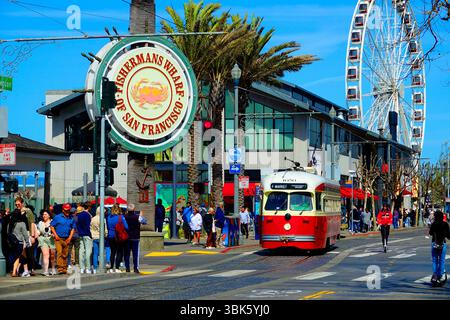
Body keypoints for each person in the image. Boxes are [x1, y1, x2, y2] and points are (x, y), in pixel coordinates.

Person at [50, 203, 75, 275]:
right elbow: (52, 226)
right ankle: (60, 268)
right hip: (59, 238)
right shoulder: (57, 217)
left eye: (68, 211)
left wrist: (70, 238)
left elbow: (73, 228)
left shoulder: (71, 218)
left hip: (67, 238)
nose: (67, 212)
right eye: (66, 210)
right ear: (63, 210)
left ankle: (64, 268)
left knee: (65, 254)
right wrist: (55, 235)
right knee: (59, 252)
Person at [15, 197, 37, 276]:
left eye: (18, 204)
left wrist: (32, 235)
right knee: (22, 252)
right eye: (16, 204)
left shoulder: (28, 211)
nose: (17, 205)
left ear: (22, 203)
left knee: (26, 251)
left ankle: (28, 269)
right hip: (19, 234)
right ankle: (25, 270)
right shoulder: (16, 212)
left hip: (27, 233)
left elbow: (32, 223)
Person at [124, 203, 147, 273]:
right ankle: (135, 268)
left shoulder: (124, 217)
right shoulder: (137, 217)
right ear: (134, 209)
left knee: (127, 253)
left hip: (127, 237)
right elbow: (144, 222)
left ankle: (127, 267)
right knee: (135, 253)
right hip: (135, 237)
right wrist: (141, 215)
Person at [7, 209, 31, 277]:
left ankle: (13, 271)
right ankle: (14, 272)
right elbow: (25, 234)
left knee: (13, 256)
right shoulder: (22, 223)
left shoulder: (10, 223)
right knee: (17, 257)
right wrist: (27, 242)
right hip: (19, 243)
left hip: (11, 243)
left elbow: (8, 233)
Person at [429, 210, 450, 286]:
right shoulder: (445, 224)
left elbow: (430, 233)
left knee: (435, 260)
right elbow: (448, 235)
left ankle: (435, 275)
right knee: (442, 260)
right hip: (442, 243)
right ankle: (440, 276)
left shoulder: (434, 224)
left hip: (434, 243)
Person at [106, 204, 129, 273]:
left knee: (112, 252)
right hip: (118, 237)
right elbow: (126, 227)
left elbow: (107, 226)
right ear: (119, 209)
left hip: (110, 236)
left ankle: (111, 267)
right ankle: (117, 267)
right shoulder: (121, 217)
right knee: (119, 252)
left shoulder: (108, 217)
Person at [36, 210, 56, 276]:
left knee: (52, 256)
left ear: (49, 215)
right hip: (43, 239)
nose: (44, 216)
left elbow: (56, 230)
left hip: (51, 239)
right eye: (43, 214)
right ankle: (46, 271)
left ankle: (53, 269)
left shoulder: (53, 222)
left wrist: (53, 234)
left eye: (45, 214)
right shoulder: (40, 223)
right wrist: (37, 234)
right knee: (45, 255)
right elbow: (38, 231)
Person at [90, 206, 108, 274]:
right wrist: (106, 234)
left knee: (95, 253)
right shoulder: (102, 219)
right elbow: (105, 229)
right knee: (101, 253)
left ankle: (95, 267)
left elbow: (90, 227)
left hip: (94, 237)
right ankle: (101, 265)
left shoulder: (93, 218)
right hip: (101, 237)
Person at [77, 202, 93, 274]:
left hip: (80, 234)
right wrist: (90, 234)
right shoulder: (87, 215)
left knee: (81, 251)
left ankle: (81, 268)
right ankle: (87, 267)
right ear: (89, 207)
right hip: (87, 234)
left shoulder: (79, 215)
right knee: (88, 251)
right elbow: (88, 226)